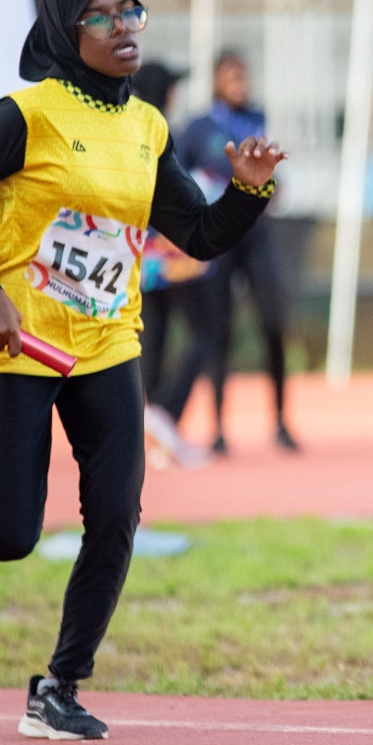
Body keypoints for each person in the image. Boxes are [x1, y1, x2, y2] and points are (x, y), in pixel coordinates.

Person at [0, 0, 283, 739]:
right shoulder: (25, 115)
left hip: (110, 345)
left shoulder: (147, 126)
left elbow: (201, 236)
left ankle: (60, 686)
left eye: (131, 12)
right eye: (103, 17)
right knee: (7, 538)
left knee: (115, 517)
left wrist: (246, 192)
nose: (124, 29)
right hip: (21, 341)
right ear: (65, 30)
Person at [180, 52, 296, 454]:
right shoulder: (198, 127)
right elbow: (182, 177)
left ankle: (281, 422)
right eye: (232, 75)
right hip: (219, 238)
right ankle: (217, 429)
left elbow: (270, 174)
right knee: (219, 330)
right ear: (216, 80)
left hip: (257, 235)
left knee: (273, 323)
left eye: (244, 74)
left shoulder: (257, 120)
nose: (240, 82)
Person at [129, 62, 216, 470]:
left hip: (140, 257)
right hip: (173, 254)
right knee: (207, 332)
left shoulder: (125, 128)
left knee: (156, 342)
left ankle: (153, 436)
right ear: (163, 94)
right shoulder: (159, 129)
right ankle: (163, 413)